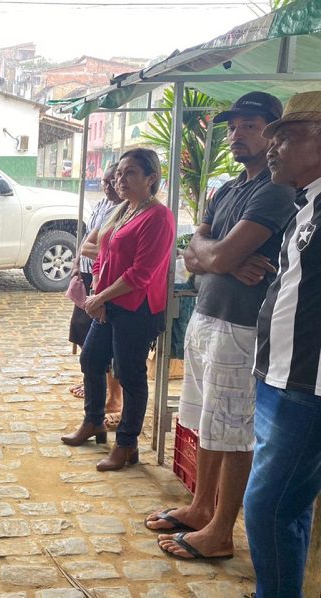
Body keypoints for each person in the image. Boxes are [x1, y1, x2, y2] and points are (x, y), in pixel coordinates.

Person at [152, 92, 295, 562]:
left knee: (234, 431)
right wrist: (224, 262)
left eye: (250, 126)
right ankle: (200, 508)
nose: (238, 135)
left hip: (243, 326)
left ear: (273, 133)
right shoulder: (226, 189)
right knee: (206, 420)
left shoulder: (275, 191)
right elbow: (192, 253)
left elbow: (207, 252)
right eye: (233, 127)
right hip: (208, 315)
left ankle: (221, 531)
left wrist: (214, 256)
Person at [242, 90, 321, 597]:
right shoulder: (307, 205)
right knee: (289, 505)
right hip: (281, 379)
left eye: (286, 137)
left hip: (304, 388)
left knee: (268, 506)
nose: (272, 147)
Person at [61, 148, 175, 472]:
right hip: (110, 302)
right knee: (91, 358)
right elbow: (102, 251)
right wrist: (97, 289)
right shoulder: (124, 209)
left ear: (151, 178)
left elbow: (141, 274)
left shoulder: (158, 217)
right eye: (119, 173)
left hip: (136, 308)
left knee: (130, 375)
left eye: (130, 173)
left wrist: (100, 297)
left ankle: (127, 444)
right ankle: (94, 421)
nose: (120, 179)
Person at [68, 162, 123, 429]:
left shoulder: (139, 214)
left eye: (119, 178)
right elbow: (90, 245)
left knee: (116, 355)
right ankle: (93, 415)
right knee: (87, 346)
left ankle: (115, 402)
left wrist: (103, 255)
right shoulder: (104, 207)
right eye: (108, 180)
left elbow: (128, 262)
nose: (112, 185)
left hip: (117, 292)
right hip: (96, 282)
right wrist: (84, 268)